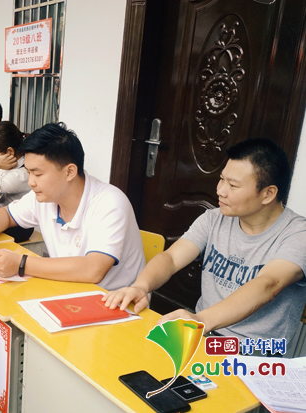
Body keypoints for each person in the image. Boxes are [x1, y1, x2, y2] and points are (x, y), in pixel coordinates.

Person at [104, 138, 306, 345]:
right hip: (204, 334)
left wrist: (200, 320)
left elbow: (268, 284)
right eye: (221, 179)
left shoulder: (298, 234)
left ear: (268, 194)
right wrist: (140, 286)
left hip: (253, 349)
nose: (220, 190)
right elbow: (172, 258)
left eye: (233, 185)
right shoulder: (214, 218)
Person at [0, 122, 145, 290]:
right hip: (67, 291)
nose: (31, 182)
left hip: (116, 302)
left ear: (69, 172)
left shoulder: (110, 203)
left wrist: (21, 263)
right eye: (28, 172)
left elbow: (93, 270)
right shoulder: (45, 197)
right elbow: (8, 215)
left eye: (37, 174)